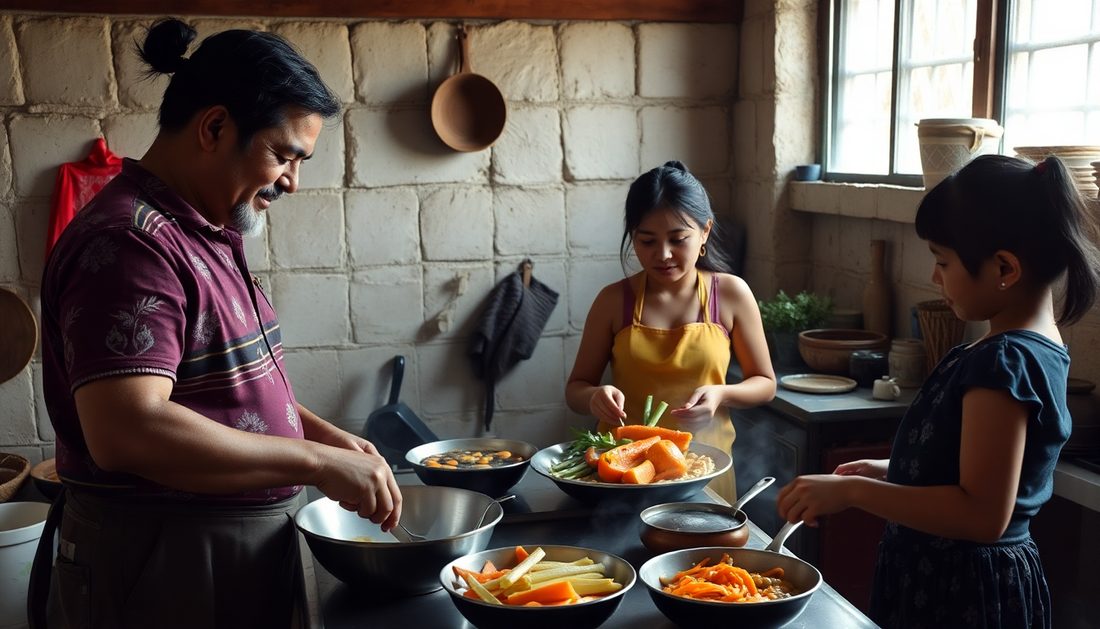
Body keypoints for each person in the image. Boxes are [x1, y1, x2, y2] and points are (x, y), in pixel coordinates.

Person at [36, 19, 401, 629]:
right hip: (163, 560)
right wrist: (312, 462)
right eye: (284, 155)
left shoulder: (201, 228)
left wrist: (323, 436)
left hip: (219, 550)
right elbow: (128, 429)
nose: (292, 180)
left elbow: (221, 392)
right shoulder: (130, 242)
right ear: (214, 127)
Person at [776, 154, 1100, 629]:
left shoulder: (1002, 362)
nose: (934, 278)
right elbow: (979, 468)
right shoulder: (1031, 346)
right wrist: (895, 471)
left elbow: (983, 512)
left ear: (1004, 267)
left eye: (942, 261)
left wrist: (854, 491)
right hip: (957, 580)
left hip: (959, 593)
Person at [565, 160, 777, 502]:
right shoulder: (613, 301)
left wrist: (722, 394)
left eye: (678, 239)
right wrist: (593, 397)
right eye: (646, 241)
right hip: (625, 472)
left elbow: (765, 384)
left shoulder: (731, 294)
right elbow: (575, 390)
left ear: (705, 231)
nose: (662, 255)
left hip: (704, 467)